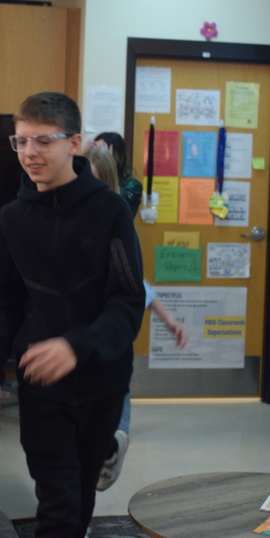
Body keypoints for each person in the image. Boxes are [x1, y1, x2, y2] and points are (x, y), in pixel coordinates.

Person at [0, 92, 145, 538]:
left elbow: (127, 303)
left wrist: (76, 346)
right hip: (41, 386)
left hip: (102, 382)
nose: (29, 153)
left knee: (81, 498)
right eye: (21, 141)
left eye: (43, 141)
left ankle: (106, 455)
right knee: (59, 504)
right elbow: (5, 305)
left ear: (74, 143)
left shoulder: (110, 211)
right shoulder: (11, 219)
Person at [84, 144, 187, 491]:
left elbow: (138, 284)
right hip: (74, 339)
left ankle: (115, 441)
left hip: (109, 334)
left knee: (116, 387)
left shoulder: (114, 227)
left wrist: (168, 318)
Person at [88, 131, 142, 216]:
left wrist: (106, 164)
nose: (98, 157)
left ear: (117, 155)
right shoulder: (88, 177)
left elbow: (115, 203)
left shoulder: (133, 186)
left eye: (103, 153)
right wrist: (84, 160)